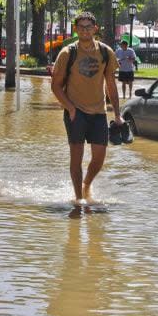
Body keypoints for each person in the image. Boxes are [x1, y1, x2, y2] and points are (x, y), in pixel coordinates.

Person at [51, 12, 122, 207]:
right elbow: (55, 86)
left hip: (98, 112)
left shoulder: (106, 52)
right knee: (77, 155)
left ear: (95, 29)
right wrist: (70, 108)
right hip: (76, 111)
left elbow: (111, 85)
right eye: (81, 27)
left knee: (99, 157)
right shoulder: (67, 53)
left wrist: (117, 114)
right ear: (75, 29)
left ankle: (86, 184)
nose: (84, 30)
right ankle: (78, 198)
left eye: (88, 27)